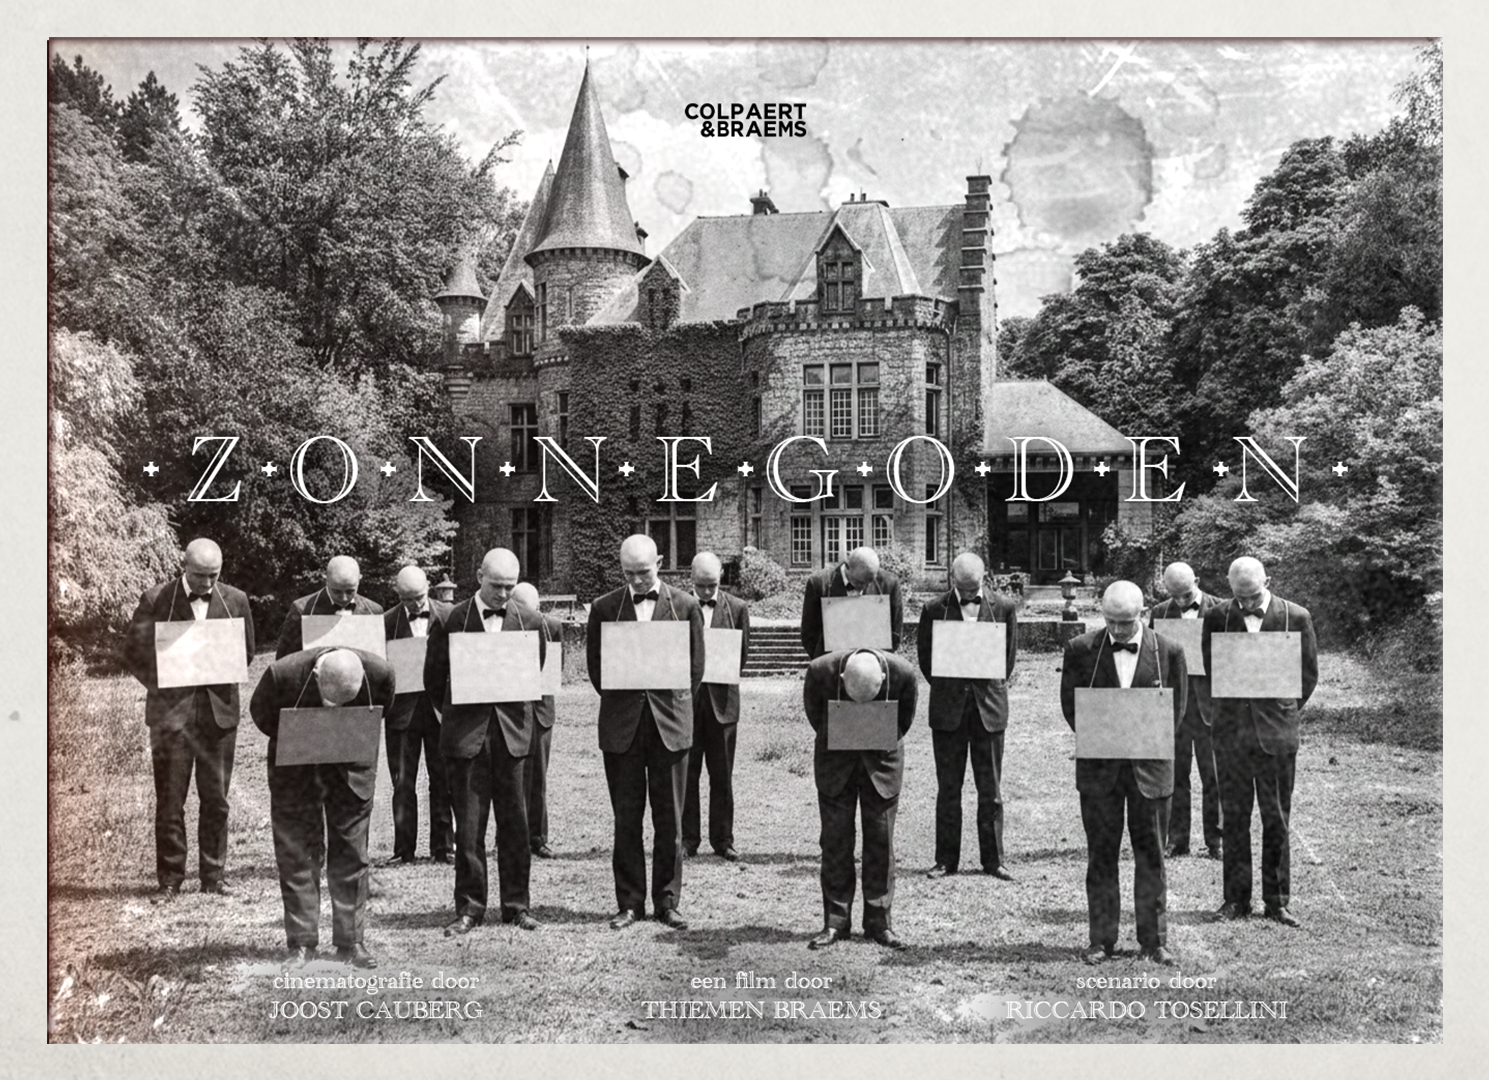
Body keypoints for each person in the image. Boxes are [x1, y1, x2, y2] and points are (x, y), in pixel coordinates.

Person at [1060, 581, 1188, 966]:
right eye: (1111, 622)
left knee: (1152, 857)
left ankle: (1154, 940)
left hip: (1151, 770)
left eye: (1126, 623)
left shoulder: (1170, 651)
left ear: (1143, 613)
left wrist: (1142, 740)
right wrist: (1107, 738)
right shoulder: (1081, 650)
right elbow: (1072, 707)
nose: (1117, 631)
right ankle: (1101, 939)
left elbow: (1176, 711)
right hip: (1101, 770)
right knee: (1101, 855)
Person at [123, 538, 255, 900]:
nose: (207, 585)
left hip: (219, 716)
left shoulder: (237, 600)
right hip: (171, 716)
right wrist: (167, 676)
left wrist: (216, 668)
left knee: (217, 799)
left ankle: (214, 875)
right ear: (184, 566)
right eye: (199, 576)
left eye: (214, 576)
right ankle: (169, 880)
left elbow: (246, 652)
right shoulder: (155, 600)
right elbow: (132, 654)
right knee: (170, 800)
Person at [424, 548, 547, 934]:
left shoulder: (529, 619)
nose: (503, 595)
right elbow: (433, 677)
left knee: (516, 826)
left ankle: (517, 906)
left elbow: (536, 668)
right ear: (479, 576)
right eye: (496, 586)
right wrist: (457, 721)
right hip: (466, 740)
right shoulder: (451, 619)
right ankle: (470, 908)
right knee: (469, 829)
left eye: (510, 587)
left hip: (512, 739)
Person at [586, 534, 705, 930]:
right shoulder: (604, 608)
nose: (637, 581)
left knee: (670, 819)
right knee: (626, 818)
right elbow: (597, 671)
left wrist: (663, 700)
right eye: (629, 574)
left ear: (660, 561)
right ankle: (630, 902)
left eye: (644, 572)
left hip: (670, 725)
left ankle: (668, 901)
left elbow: (695, 670)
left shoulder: (686, 607)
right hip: (623, 728)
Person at [250, 646, 395, 969]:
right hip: (296, 767)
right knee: (298, 853)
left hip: (351, 767)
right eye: (331, 702)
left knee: (352, 855)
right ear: (315, 676)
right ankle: (302, 944)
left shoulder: (380, 673)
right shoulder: (282, 675)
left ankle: (351, 942)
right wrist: (308, 736)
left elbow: (383, 709)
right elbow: (262, 716)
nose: (336, 709)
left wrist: (338, 735)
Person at [1203, 556, 1319, 928]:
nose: (1248, 605)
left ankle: (1277, 900)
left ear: (1268, 581)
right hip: (1231, 736)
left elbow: (1307, 675)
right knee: (1234, 819)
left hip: (1276, 736)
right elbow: (1210, 669)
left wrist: (1280, 708)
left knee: (1276, 819)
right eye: (1240, 598)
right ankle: (1235, 899)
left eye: (1253, 597)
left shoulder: (1296, 616)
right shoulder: (1217, 617)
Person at [802, 648, 918, 949]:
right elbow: (816, 715)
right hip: (835, 759)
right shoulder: (819, 671)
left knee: (881, 839)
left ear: (883, 678)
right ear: (841, 678)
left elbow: (904, 719)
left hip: (881, 760)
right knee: (835, 840)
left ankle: (879, 922)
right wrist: (845, 732)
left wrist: (872, 733)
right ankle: (835, 922)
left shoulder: (903, 673)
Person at [916, 551, 1018, 880]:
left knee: (991, 790)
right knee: (949, 789)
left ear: (984, 579)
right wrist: (952, 684)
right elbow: (926, 659)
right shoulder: (934, 609)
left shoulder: (1004, 608)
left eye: (975, 587)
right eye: (964, 587)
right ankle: (946, 860)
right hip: (949, 712)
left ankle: (994, 860)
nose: (970, 592)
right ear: (953, 581)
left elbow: (1008, 660)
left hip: (989, 709)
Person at [381, 566, 453, 866]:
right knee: (402, 782)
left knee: (444, 779)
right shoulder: (385, 622)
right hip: (402, 714)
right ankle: (403, 850)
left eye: (420, 597)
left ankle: (444, 847)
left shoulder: (449, 616)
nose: (416, 605)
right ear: (398, 595)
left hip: (440, 712)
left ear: (429, 588)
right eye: (409, 600)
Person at [1149, 561, 1222, 860]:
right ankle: (1177, 839)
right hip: (1175, 707)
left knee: (1214, 775)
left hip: (1211, 707)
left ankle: (1217, 840)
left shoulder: (1220, 611)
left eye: (1185, 594)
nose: (1180, 601)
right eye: (1174, 595)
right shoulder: (1159, 613)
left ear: (1198, 580)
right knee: (1176, 775)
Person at [682, 551, 751, 861]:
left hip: (723, 704)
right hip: (687, 706)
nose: (706, 592)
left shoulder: (737, 609)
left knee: (722, 775)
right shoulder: (680, 608)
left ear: (721, 577)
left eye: (711, 586)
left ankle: (723, 840)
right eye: (700, 586)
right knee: (688, 774)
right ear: (691, 580)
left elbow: (742, 656)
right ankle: (687, 839)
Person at [511, 582, 561, 860]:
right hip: (512, 713)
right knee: (513, 777)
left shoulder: (552, 627)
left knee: (538, 777)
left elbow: (554, 670)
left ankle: (538, 838)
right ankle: (511, 835)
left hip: (541, 711)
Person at [799, 546, 904, 660]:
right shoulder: (819, 584)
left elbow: (895, 633)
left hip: (874, 668)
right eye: (859, 582)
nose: (863, 587)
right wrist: (826, 666)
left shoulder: (889, 584)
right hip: (831, 669)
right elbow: (809, 634)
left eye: (868, 582)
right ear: (847, 565)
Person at [276, 555, 384, 659]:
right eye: (336, 591)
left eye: (350, 591)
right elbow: (285, 662)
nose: (344, 598)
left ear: (359, 579)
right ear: (326, 579)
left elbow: (380, 663)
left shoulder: (373, 611)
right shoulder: (302, 610)